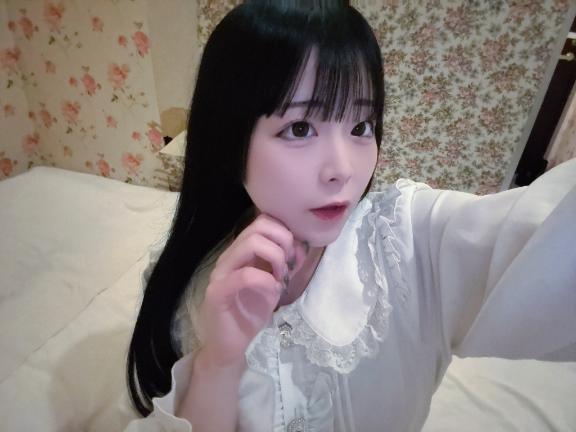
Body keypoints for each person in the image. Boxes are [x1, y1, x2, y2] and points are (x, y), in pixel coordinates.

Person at [124, 1, 576, 431]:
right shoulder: (188, 286)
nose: (343, 169)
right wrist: (218, 363)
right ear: (228, 139)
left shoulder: (408, 241)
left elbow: (544, 244)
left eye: (360, 126)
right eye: (300, 128)